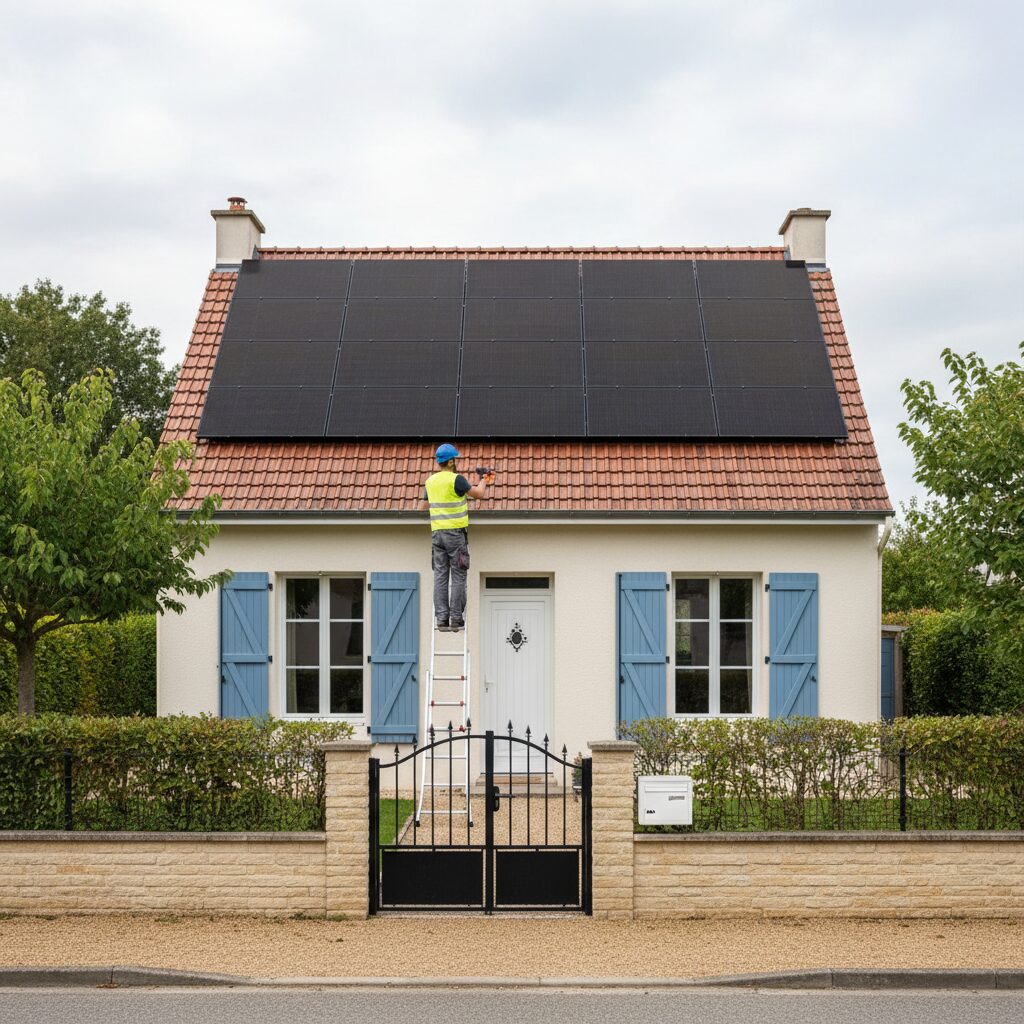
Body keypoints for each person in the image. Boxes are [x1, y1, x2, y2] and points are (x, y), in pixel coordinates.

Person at [422, 443, 492, 631]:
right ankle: (455, 619)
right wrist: (484, 479)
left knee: (440, 577)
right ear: (451, 461)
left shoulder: (430, 482)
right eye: (456, 459)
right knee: (459, 576)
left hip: (437, 535)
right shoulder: (457, 480)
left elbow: (423, 507)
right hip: (455, 535)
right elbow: (478, 494)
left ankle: (441, 619)